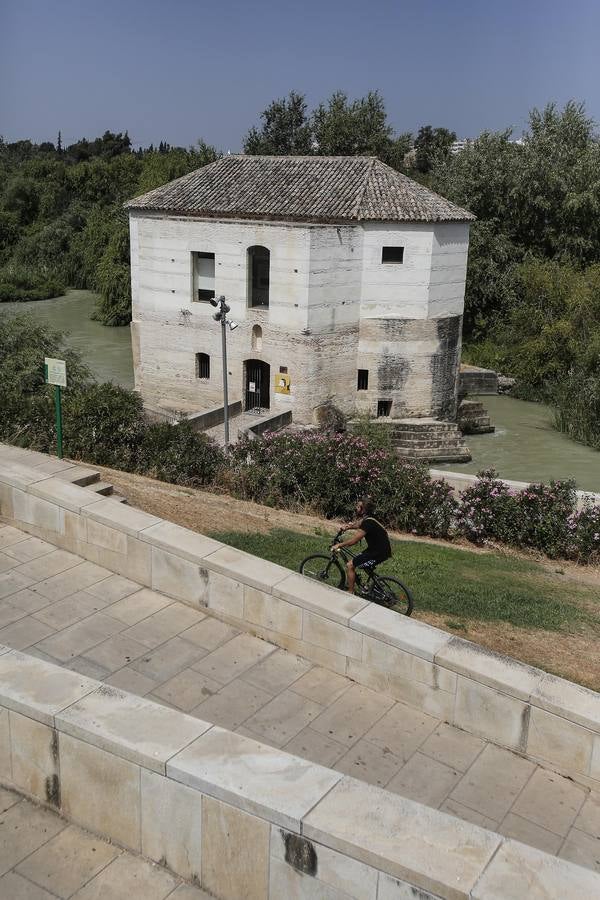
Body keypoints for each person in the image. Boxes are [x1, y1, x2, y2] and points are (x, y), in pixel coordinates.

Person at [332, 496, 392, 594]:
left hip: (377, 553)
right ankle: (369, 586)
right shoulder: (370, 518)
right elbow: (359, 524)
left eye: (358, 506)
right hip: (379, 550)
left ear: (363, 509)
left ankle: (350, 592)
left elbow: (353, 541)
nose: (356, 507)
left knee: (350, 565)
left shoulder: (368, 522)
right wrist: (348, 527)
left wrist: (339, 545)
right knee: (362, 563)